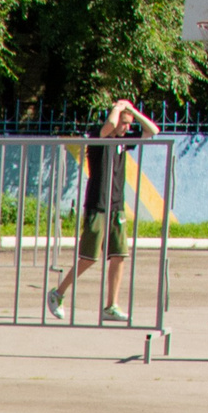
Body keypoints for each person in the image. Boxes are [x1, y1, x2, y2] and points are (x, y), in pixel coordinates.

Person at [48, 99, 157, 324]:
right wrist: (117, 108)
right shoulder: (98, 135)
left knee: (119, 255)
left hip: (116, 204)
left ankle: (111, 306)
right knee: (89, 257)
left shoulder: (123, 141)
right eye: (124, 123)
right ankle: (58, 293)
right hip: (97, 203)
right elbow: (109, 127)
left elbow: (152, 131)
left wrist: (132, 111)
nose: (127, 127)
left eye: (129, 124)